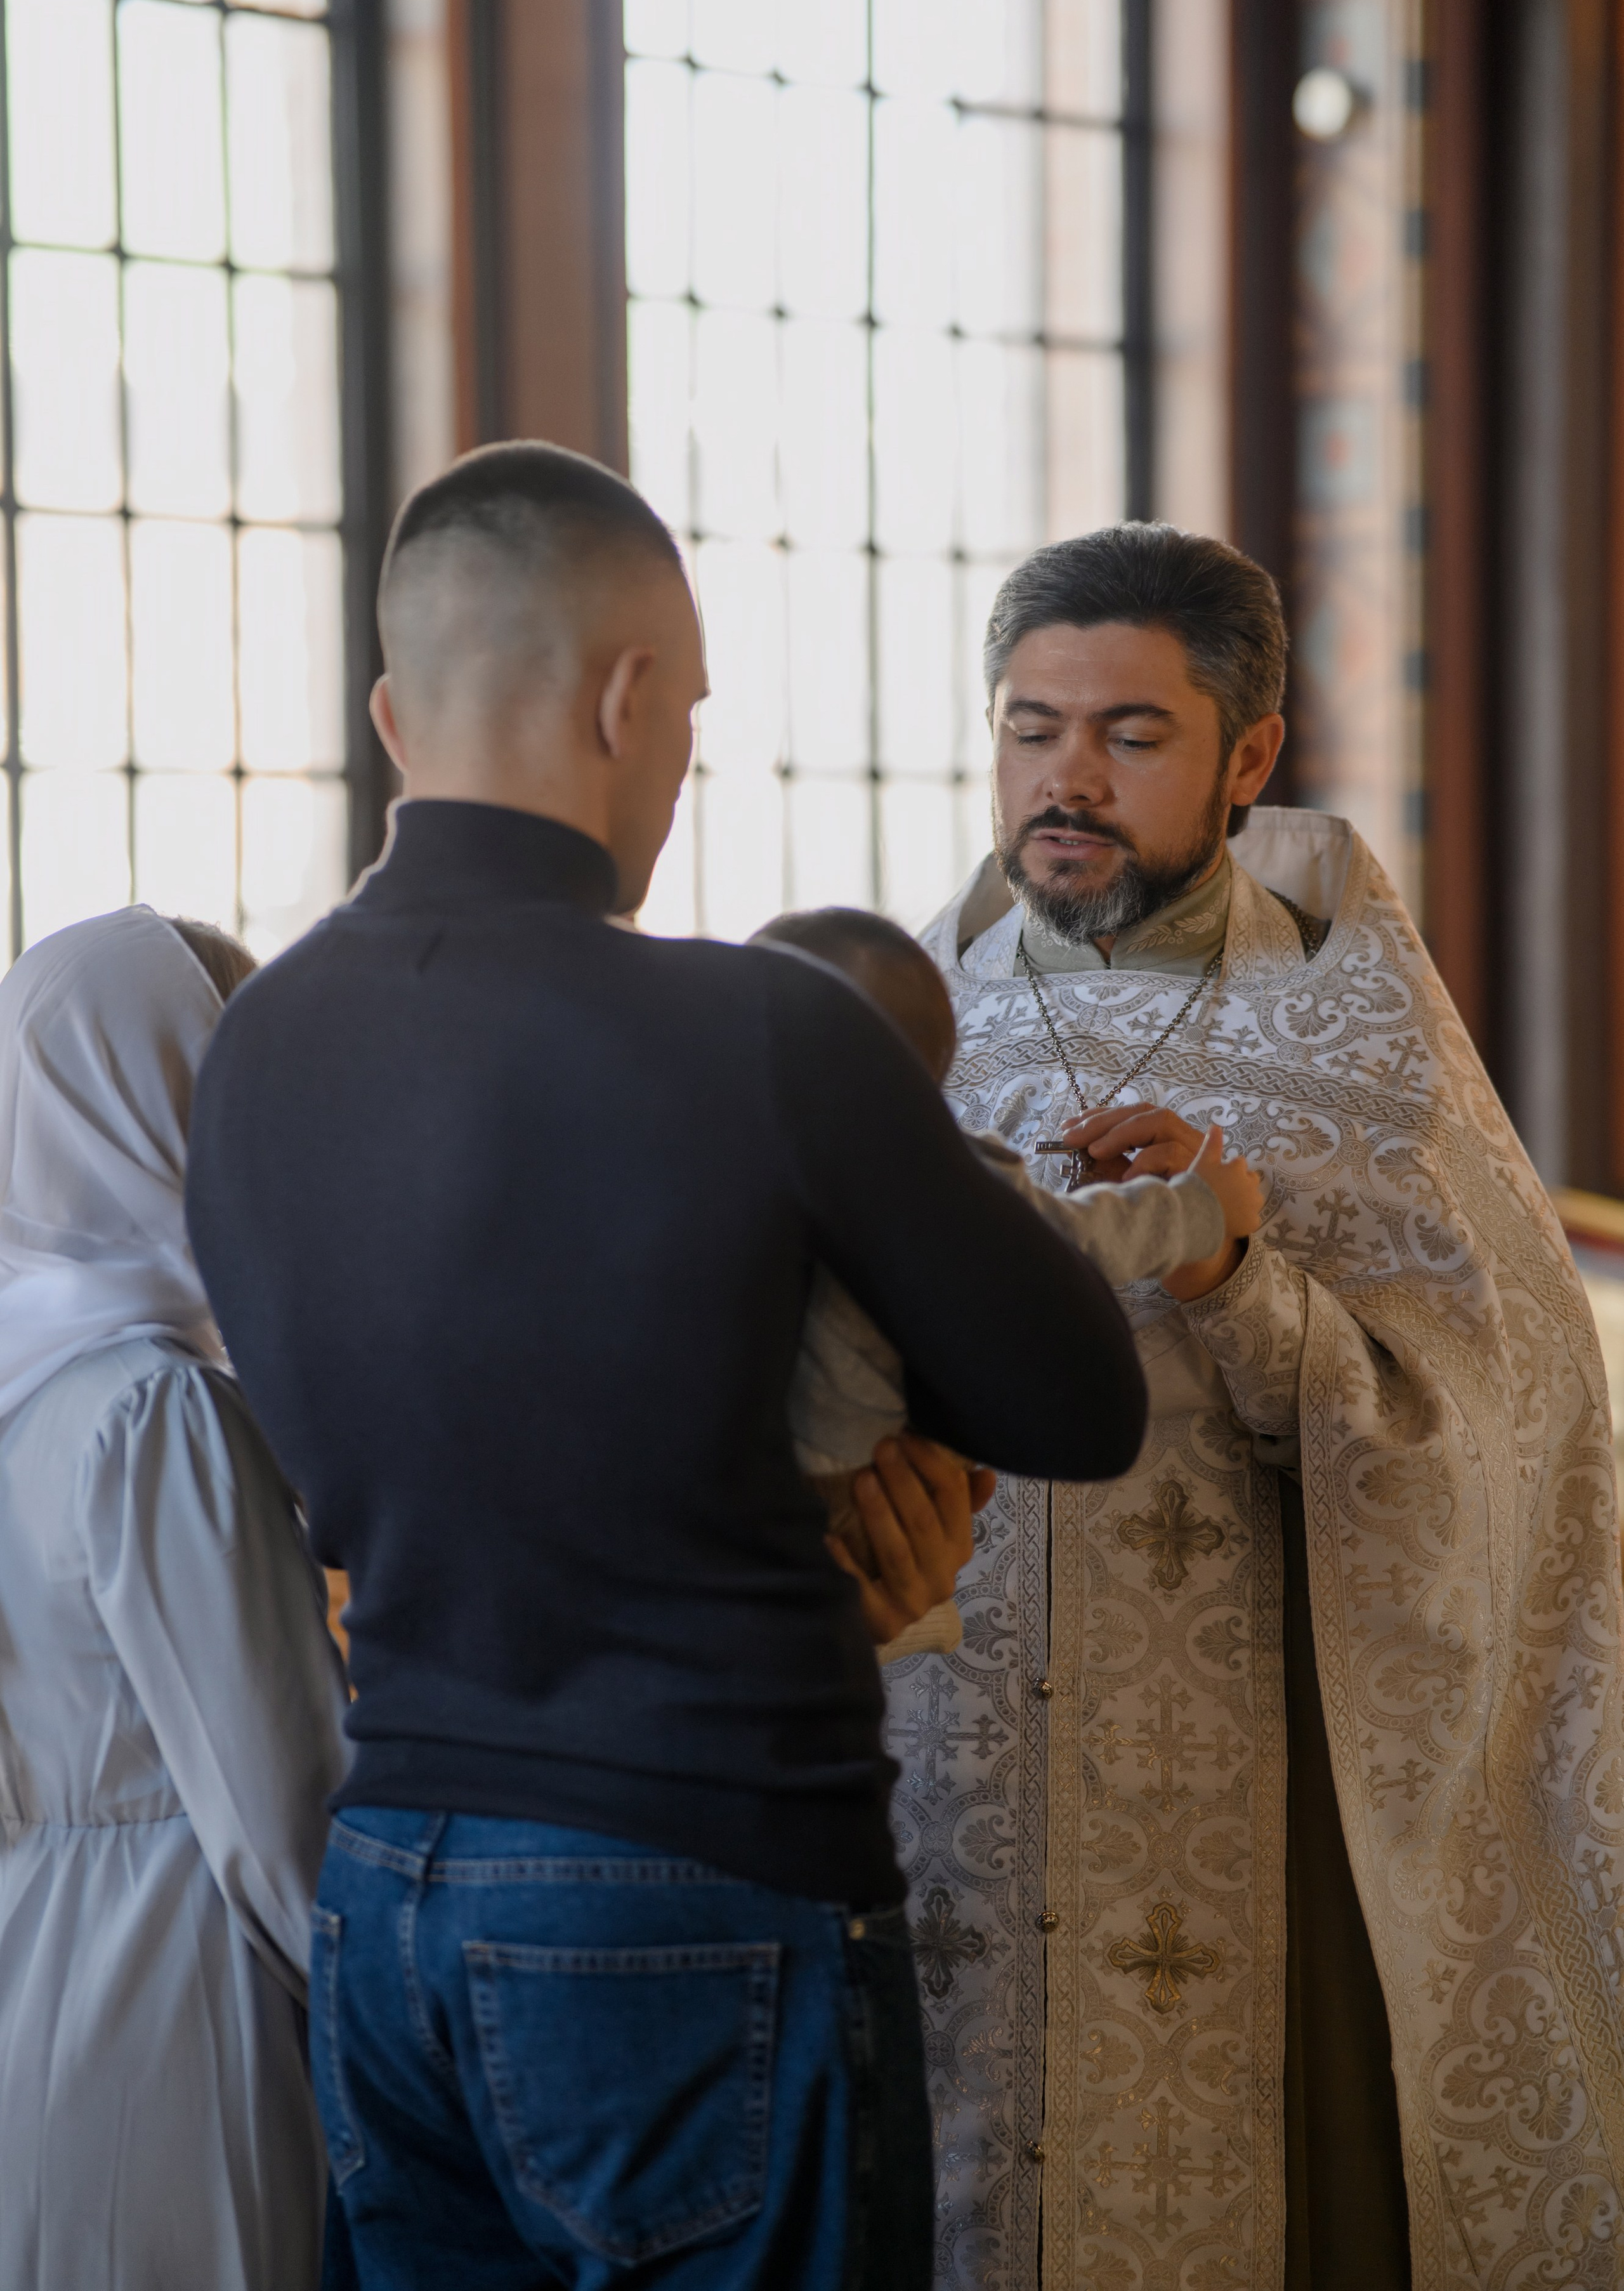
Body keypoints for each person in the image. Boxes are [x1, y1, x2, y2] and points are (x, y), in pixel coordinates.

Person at [183, 441, 1153, 2291]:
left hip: (385, 1885)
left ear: (399, 712)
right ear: (629, 697)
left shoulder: (254, 1043)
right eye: (687, 706)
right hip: (694, 1860)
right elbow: (1074, 1397)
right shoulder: (763, 1027)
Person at [894, 521, 1624, 2291]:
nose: (1064, 776)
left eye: (1127, 735)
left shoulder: (1352, 1046)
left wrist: (1234, 1278)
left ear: (1245, 757)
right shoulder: (908, 1024)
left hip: (1245, 1793)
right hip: (944, 1782)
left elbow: (1493, 1443)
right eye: (1029, 724)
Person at [0, 906, 351, 2291]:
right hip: (180, 1984)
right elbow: (281, 1808)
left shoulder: (30, 1379)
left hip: (40, 1954)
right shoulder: (153, 1406)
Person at [752, 905, 1263, 1662]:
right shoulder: (938, 1172)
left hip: (754, 1461)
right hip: (860, 1468)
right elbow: (1071, 1241)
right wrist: (1200, 1207)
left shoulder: (732, 1163)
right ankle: (910, 1614)